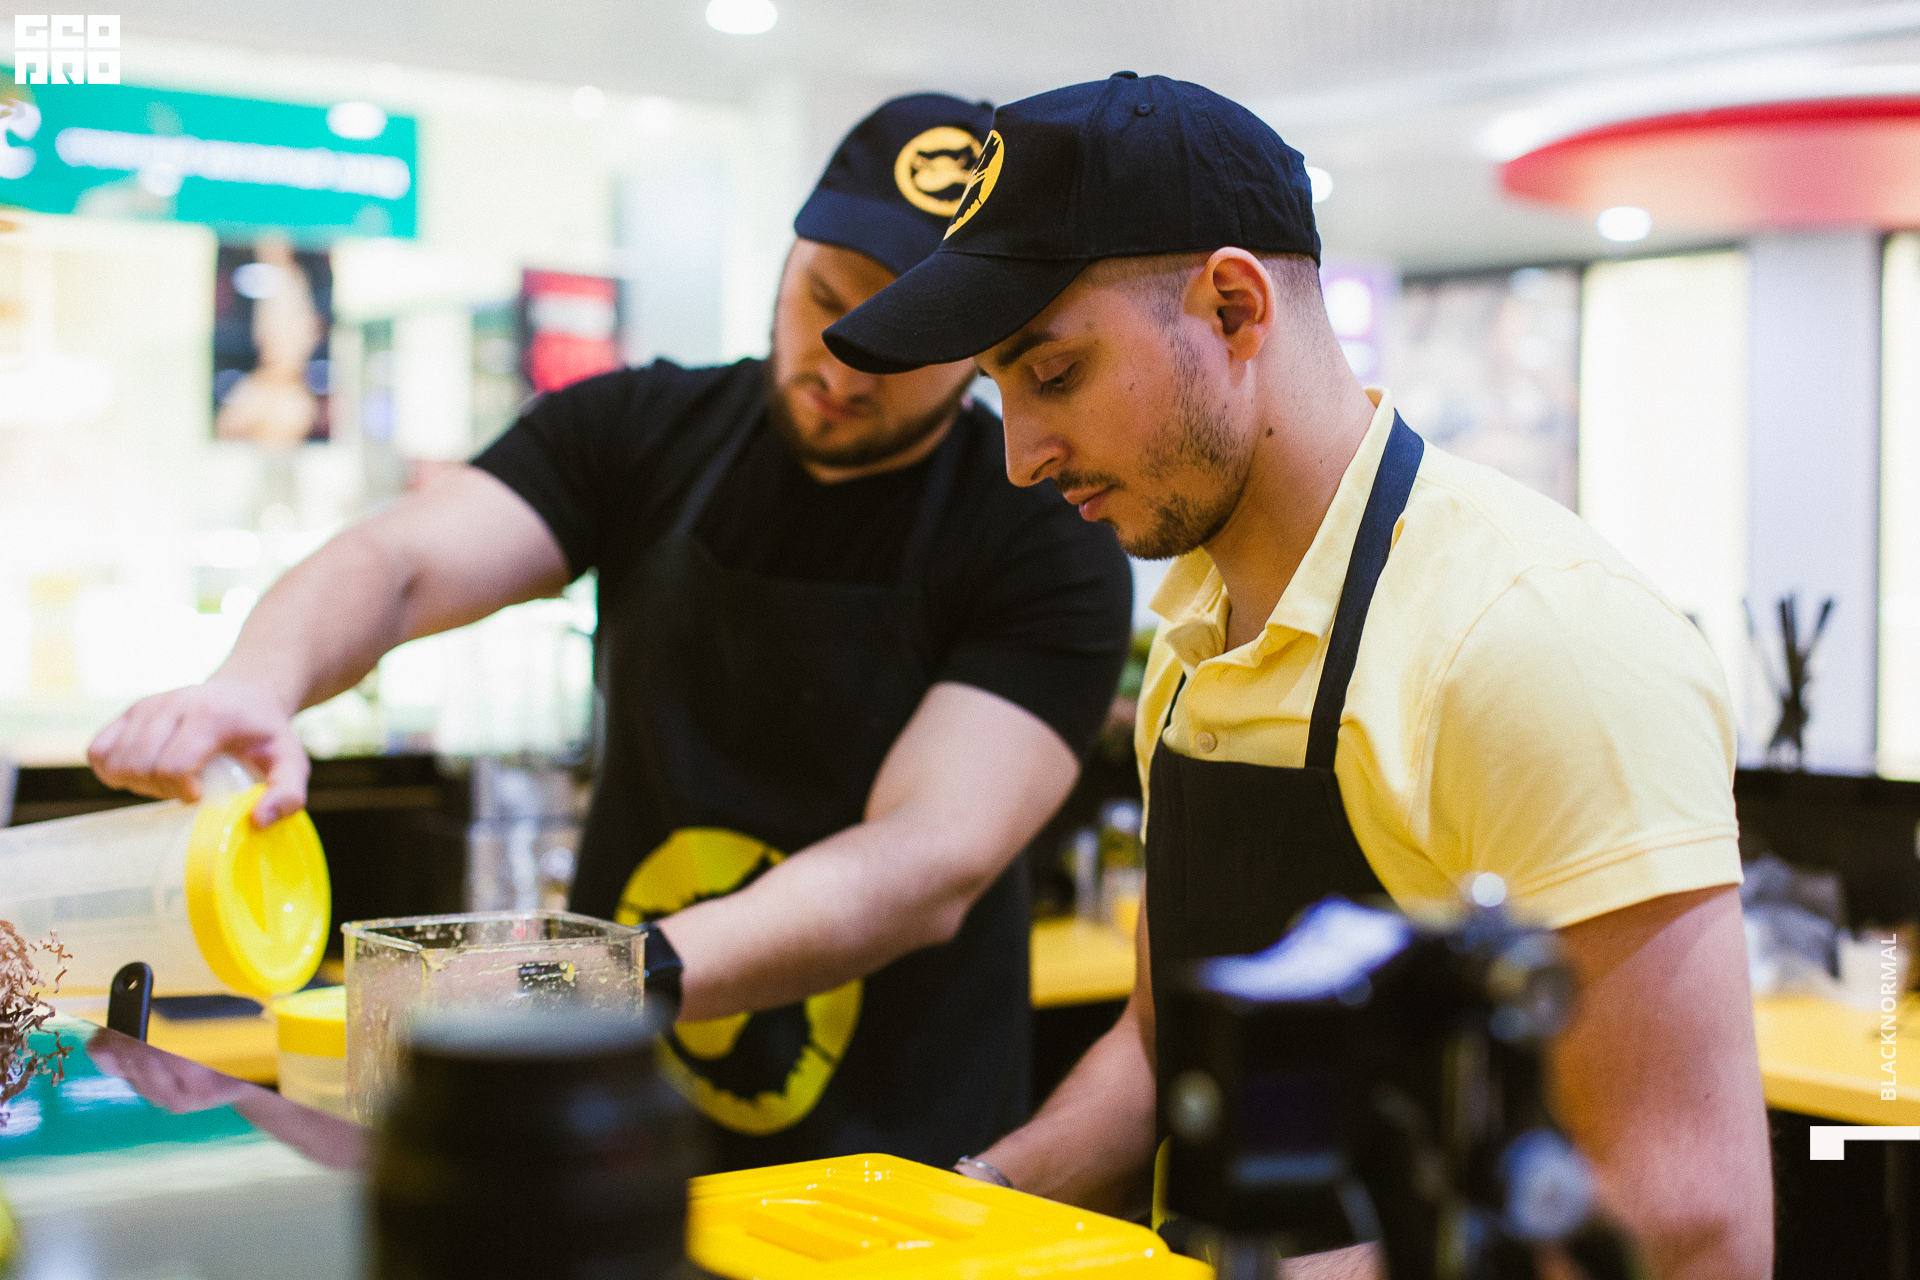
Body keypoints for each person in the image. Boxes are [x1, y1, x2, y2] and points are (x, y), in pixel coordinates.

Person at [824, 74, 1771, 1280]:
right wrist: (976, 1207)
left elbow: (1679, 1216)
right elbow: (1166, 1050)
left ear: (1233, 307)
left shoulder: (1537, 639)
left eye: (1052, 373)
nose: (1020, 455)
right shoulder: (1193, 644)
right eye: (995, 390)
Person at [88, 93, 1133, 1172]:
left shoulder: (1042, 533)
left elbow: (925, 858)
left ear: (974, 346)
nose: (839, 367)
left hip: (888, 1166)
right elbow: (396, 565)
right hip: (604, 1125)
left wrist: (599, 979)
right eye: (823, 301)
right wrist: (258, 682)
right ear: (787, 260)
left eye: (900, 342)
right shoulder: (642, 429)